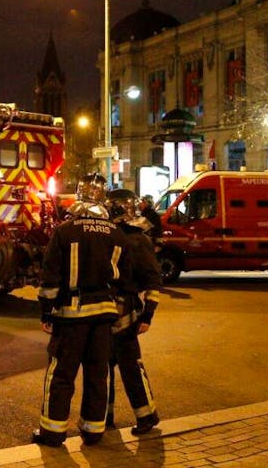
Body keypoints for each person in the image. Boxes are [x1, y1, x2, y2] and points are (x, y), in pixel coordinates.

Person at [33, 173, 130, 448]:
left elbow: (50, 277)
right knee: (97, 374)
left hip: (71, 316)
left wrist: (46, 312)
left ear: (79, 194)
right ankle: (93, 431)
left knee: (61, 374)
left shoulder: (66, 231)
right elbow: (125, 280)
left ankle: (52, 433)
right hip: (104, 317)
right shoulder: (116, 233)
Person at [105, 189, 162, 435]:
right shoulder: (112, 234)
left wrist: (147, 315)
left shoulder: (137, 239)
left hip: (125, 313)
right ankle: (105, 417)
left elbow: (152, 280)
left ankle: (147, 415)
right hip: (109, 310)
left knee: (129, 366)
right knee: (104, 366)